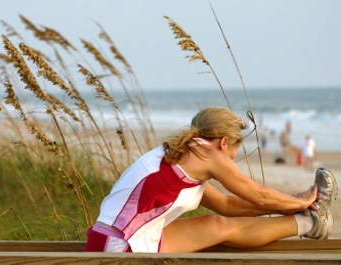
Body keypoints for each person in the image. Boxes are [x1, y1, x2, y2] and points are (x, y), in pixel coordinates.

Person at [85, 106, 336, 253]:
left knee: (217, 224)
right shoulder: (206, 154)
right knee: (222, 226)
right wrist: (301, 199)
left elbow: (228, 205)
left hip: (107, 239)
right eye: (236, 148)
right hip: (117, 247)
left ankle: (309, 223)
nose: (233, 157)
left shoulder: (184, 156)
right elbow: (257, 195)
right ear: (224, 142)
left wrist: (290, 202)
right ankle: (307, 220)